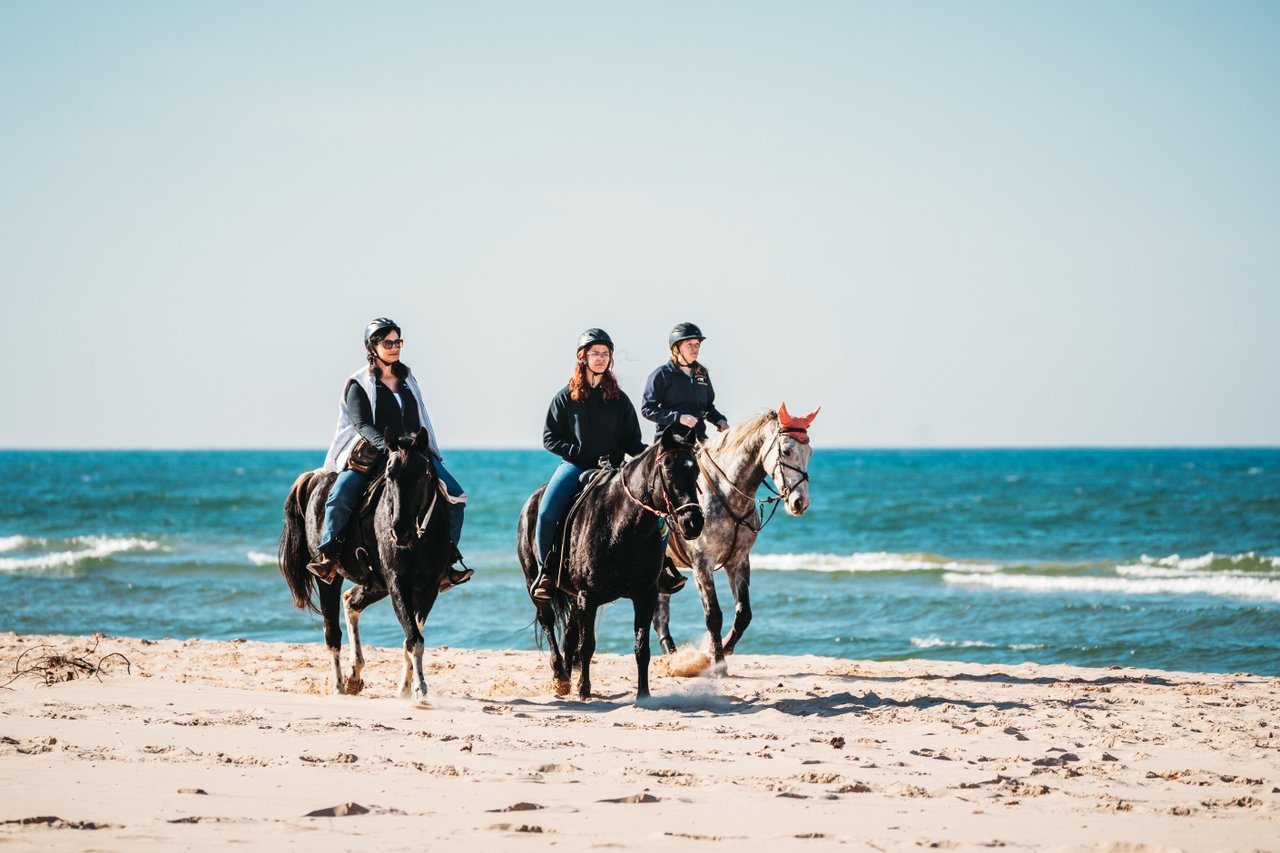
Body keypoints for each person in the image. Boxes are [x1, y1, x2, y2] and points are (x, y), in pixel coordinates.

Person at [307, 317, 472, 589]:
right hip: (375, 450)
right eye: (388, 342)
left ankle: (448, 560)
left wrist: (421, 449)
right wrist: (388, 448)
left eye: (398, 342)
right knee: (340, 494)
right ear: (372, 347)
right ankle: (329, 555)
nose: (395, 347)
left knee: (456, 495)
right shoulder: (358, 383)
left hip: (412, 452)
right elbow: (361, 424)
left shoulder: (408, 379)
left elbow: (419, 417)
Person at [530, 328, 685, 603]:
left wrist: (649, 456)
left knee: (658, 512)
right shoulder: (565, 397)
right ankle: (546, 572)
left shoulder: (620, 399)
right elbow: (549, 437)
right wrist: (574, 451)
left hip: (614, 470)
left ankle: (660, 569)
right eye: (595, 353)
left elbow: (632, 442)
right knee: (545, 512)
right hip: (575, 467)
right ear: (583, 357)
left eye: (605, 353)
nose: (601, 358)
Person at [641, 322, 730, 440]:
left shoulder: (702, 374)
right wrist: (679, 417)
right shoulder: (662, 374)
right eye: (689, 344)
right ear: (676, 348)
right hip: (671, 441)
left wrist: (720, 420)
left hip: (698, 439)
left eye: (697, 344)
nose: (695, 349)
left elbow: (708, 408)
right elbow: (647, 409)